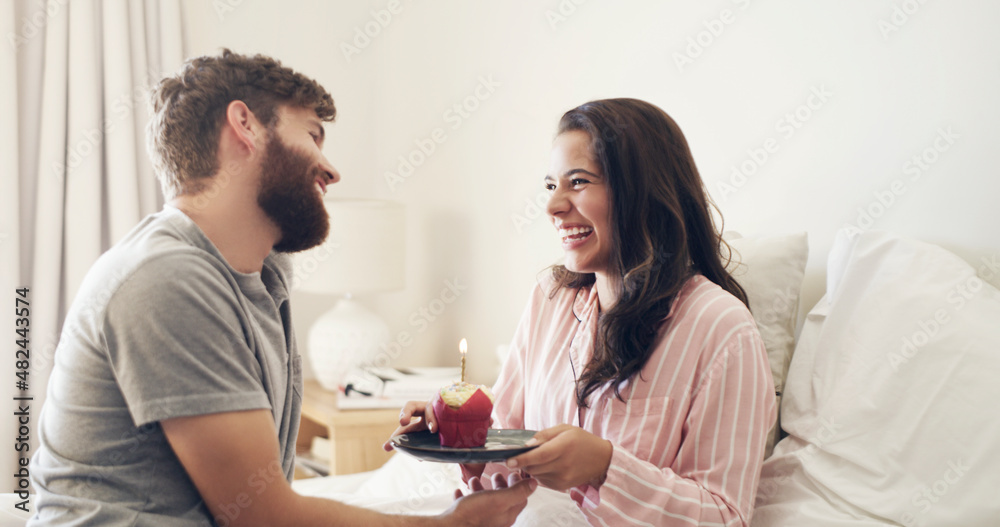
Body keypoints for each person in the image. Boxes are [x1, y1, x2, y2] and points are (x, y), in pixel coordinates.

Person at [28, 49, 534, 527]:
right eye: (312, 136)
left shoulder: (266, 273)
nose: (331, 170)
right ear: (244, 125)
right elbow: (263, 517)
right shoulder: (166, 279)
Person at [389, 98, 776, 525]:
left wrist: (605, 468)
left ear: (642, 192)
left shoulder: (721, 328)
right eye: (551, 186)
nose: (553, 207)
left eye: (578, 182)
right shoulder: (550, 299)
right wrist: (456, 433)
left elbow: (724, 516)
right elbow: (504, 445)